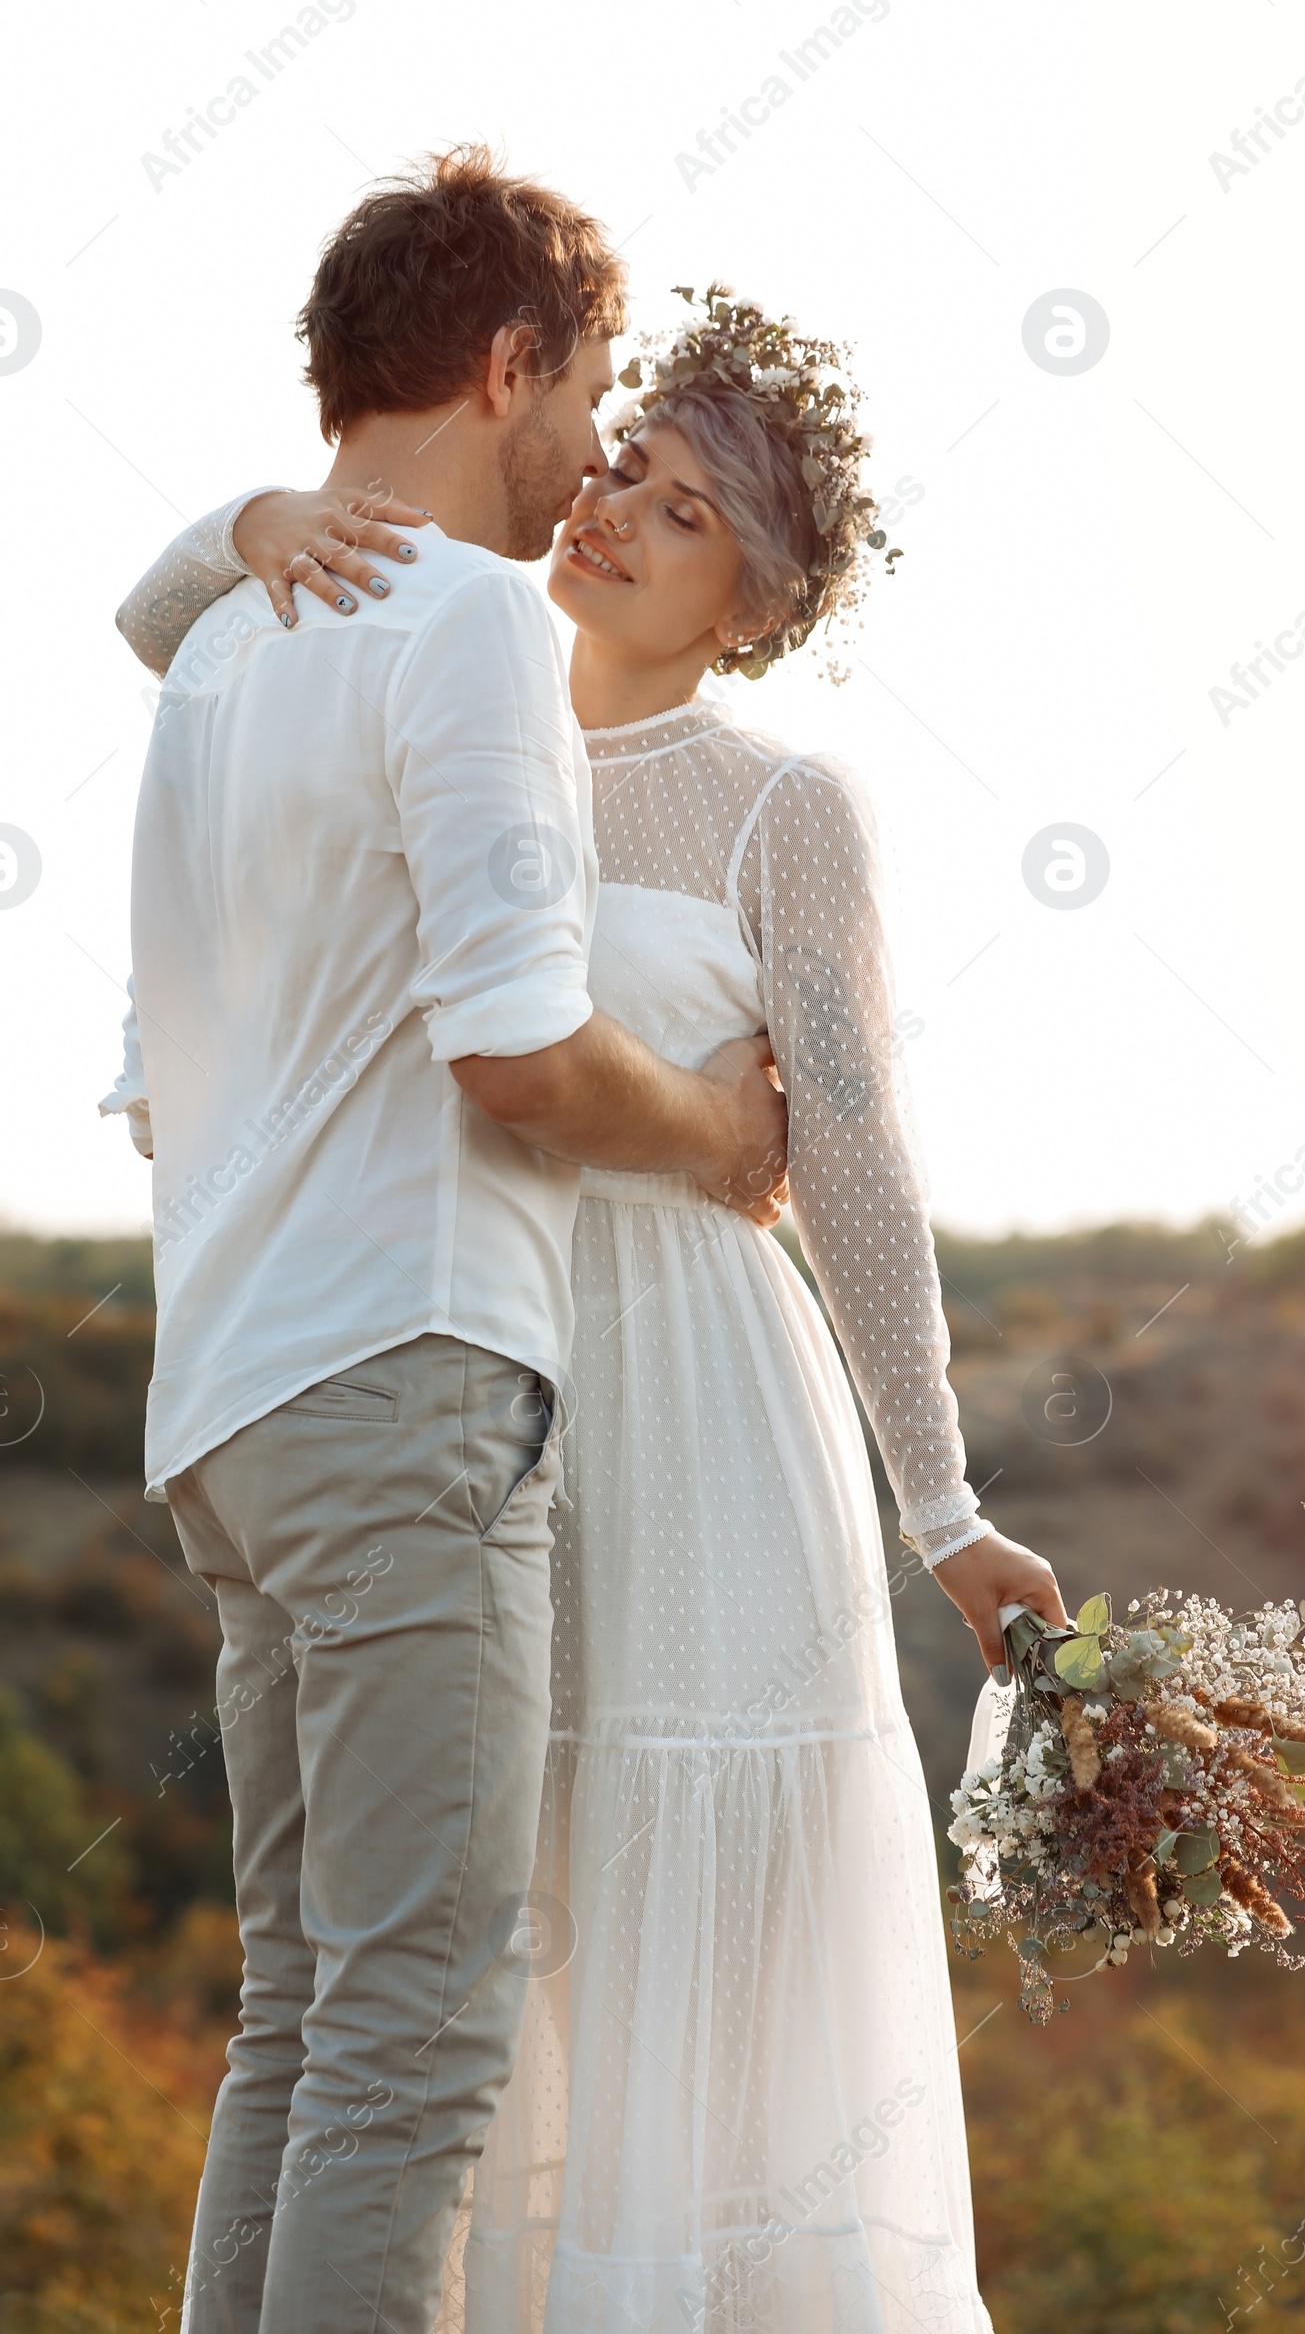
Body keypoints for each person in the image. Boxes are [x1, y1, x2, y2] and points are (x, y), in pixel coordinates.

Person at [116, 278, 1067, 2332]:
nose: (619, 513)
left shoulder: (776, 809)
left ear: (756, 599)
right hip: (474, 1383)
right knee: (456, 1974)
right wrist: (253, 520)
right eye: (622, 465)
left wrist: (943, 1510)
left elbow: (859, 1165)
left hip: (708, 1424)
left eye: (686, 514)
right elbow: (180, 653)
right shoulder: (435, 693)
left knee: (670, 1955)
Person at [104, 154, 787, 2334]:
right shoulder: (470, 619)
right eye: (583, 394)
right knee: (411, 2044)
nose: (589, 458)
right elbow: (512, 1048)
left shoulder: (221, 635)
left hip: (225, 1407)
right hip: (403, 1387)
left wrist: (222, 526)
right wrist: (709, 1127)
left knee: (305, 2023)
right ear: (504, 368)